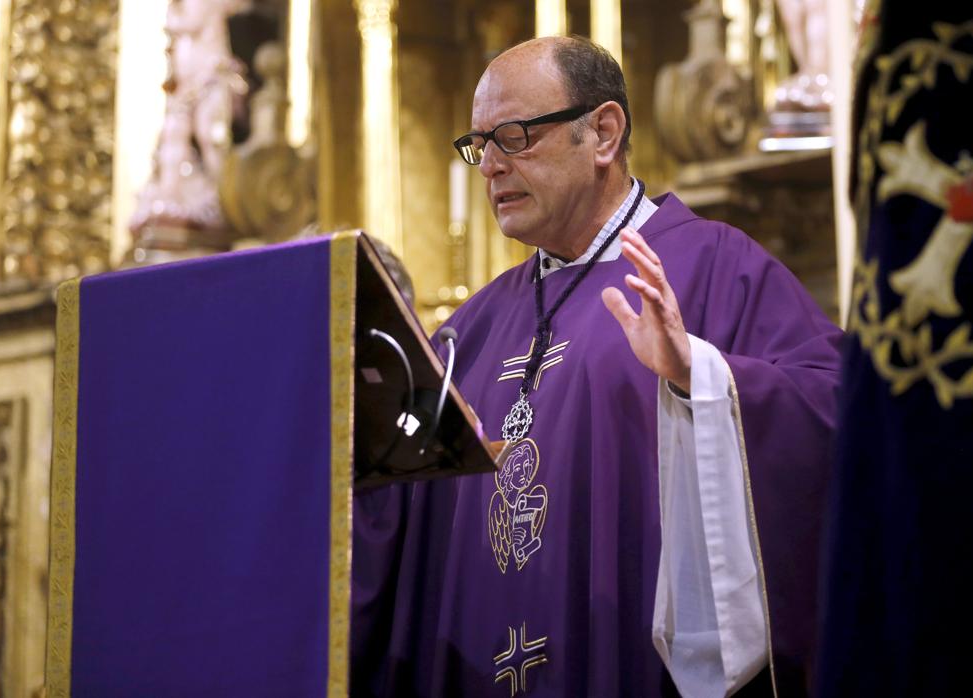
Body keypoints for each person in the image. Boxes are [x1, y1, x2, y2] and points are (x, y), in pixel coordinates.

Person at [350, 35, 841, 697]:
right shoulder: (468, 332)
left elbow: (836, 412)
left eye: (514, 135)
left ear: (603, 132)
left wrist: (704, 379)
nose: (490, 164)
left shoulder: (714, 268)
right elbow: (383, 537)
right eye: (478, 145)